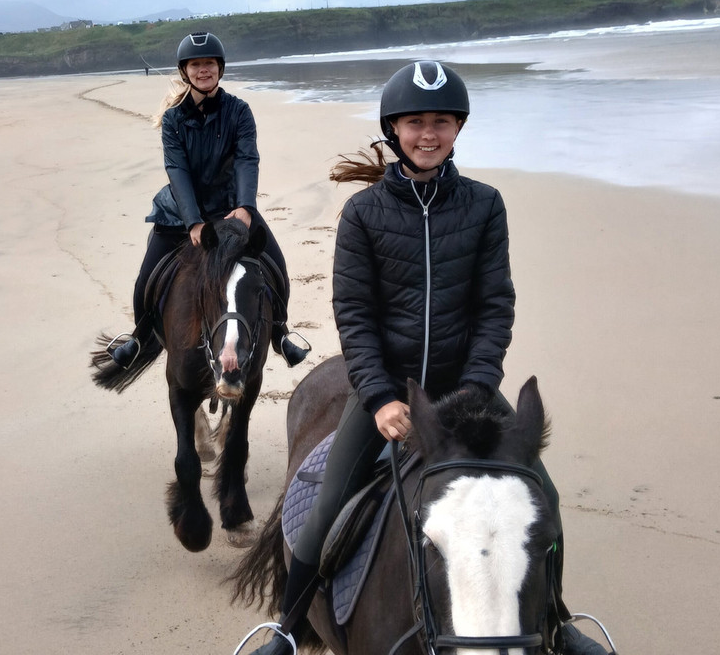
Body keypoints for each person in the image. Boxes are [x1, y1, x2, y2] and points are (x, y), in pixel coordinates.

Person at [235, 61, 609, 655]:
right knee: (327, 504)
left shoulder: (485, 206)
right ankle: (286, 626)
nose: (428, 134)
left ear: (458, 127)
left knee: (540, 495)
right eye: (415, 122)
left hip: (471, 389)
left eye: (440, 121)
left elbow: (495, 305)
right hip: (384, 390)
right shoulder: (363, 214)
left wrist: (479, 385)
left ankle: (559, 623)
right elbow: (354, 314)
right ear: (394, 129)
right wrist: (380, 397)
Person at [106, 32, 309, 370]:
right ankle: (139, 337)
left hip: (232, 209)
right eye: (196, 64)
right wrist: (193, 221)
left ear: (220, 68)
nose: (204, 70)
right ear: (185, 71)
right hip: (181, 214)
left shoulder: (239, 111)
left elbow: (247, 159)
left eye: (210, 63)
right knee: (146, 279)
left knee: (277, 266)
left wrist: (246, 206)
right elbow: (177, 169)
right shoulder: (173, 120)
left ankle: (281, 333)